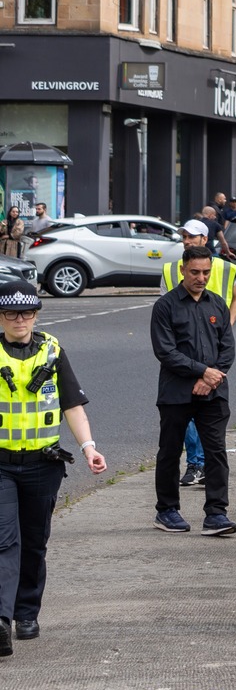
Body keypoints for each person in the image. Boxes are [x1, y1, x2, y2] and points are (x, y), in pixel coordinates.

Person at [0, 279, 107, 653]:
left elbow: (72, 406)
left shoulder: (52, 351)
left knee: (34, 542)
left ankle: (26, 613)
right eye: (11, 313)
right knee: (4, 540)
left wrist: (89, 447)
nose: (20, 320)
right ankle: (1, 620)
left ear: (36, 315)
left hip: (43, 465)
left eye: (27, 312)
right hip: (0, 465)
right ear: (1, 316)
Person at [149, 246, 236, 536]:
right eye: (195, 272)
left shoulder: (217, 304)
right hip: (176, 393)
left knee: (216, 451)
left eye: (206, 272)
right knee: (170, 451)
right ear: (182, 270)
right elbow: (165, 351)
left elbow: (228, 348)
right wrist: (202, 371)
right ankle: (167, 510)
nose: (201, 278)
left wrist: (210, 378)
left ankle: (216, 514)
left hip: (214, 392)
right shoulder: (165, 306)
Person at [163, 218, 236, 488]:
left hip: (214, 360)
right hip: (184, 368)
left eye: (192, 236)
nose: (186, 240)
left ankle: (214, 496)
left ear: (205, 240)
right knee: (182, 430)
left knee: (214, 438)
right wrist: (202, 373)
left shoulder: (225, 269)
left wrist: (225, 329)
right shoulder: (170, 272)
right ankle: (194, 464)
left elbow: (235, 301)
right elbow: (165, 343)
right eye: (184, 236)